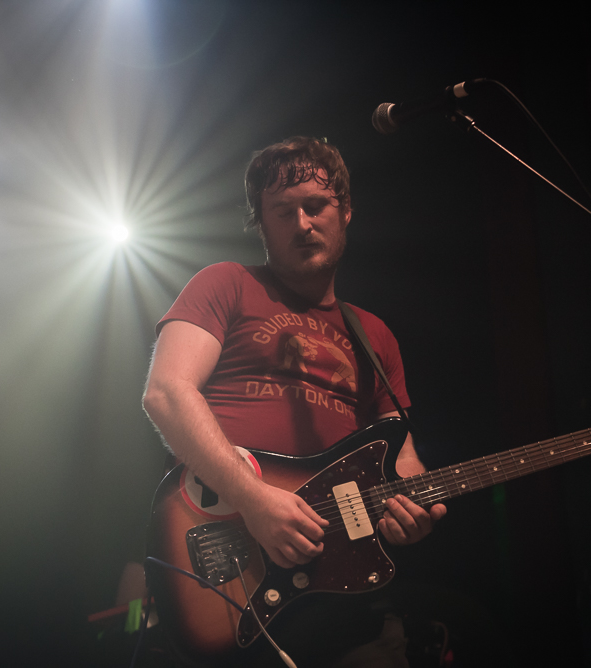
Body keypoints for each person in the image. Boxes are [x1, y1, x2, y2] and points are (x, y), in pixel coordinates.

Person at [142, 137, 447, 666]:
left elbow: (400, 454)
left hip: (346, 593)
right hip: (230, 549)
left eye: (316, 206)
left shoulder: (374, 334)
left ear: (345, 211)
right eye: (283, 211)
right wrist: (255, 501)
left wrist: (410, 508)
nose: (302, 224)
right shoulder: (227, 284)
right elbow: (166, 392)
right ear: (262, 223)